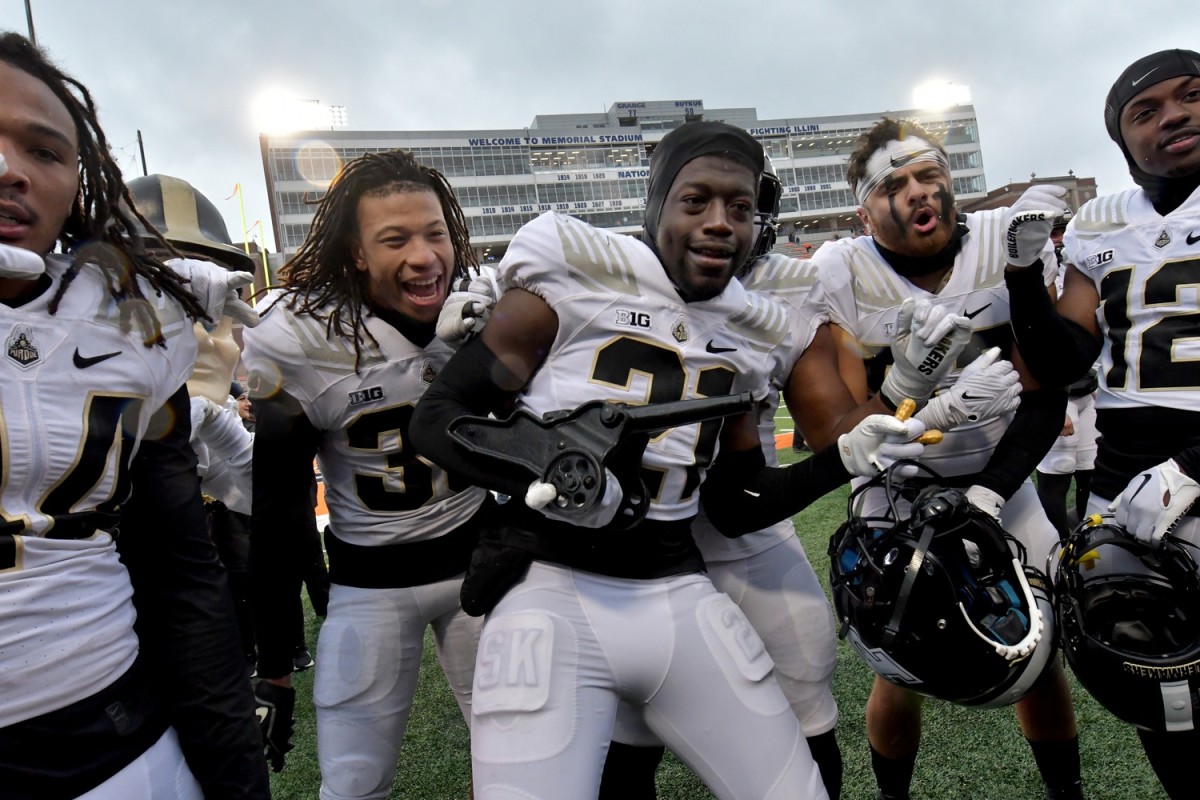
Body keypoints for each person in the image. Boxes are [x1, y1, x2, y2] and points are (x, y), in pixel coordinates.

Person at [410, 120, 940, 800]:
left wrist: (844, 456)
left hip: (676, 593)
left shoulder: (756, 326)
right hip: (554, 590)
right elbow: (440, 420)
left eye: (740, 208)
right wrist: (552, 470)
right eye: (697, 201)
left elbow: (736, 503)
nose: (721, 223)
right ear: (657, 205)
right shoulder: (577, 271)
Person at [0, 31, 269, 800]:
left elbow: (181, 572)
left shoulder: (134, 328)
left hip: (110, 726)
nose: (10, 170)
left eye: (45, 151)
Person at [812, 117, 1083, 800]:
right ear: (863, 209)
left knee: (1038, 645)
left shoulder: (1002, 243)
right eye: (893, 183)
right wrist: (914, 398)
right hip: (894, 487)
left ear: (949, 181)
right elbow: (841, 429)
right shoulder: (840, 271)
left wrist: (990, 495)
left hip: (1002, 478)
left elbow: (1046, 398)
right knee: (899, 661)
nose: (917, 191)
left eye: (928, 174)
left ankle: (1066, 793)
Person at [243, 149, 492, 797]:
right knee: (353, 781)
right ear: (356, 253)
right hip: (370, 585)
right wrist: (274, 661)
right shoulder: (301, 336)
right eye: (395, 238)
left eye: (435, 232)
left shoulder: (480, 311)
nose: (424, 255)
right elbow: (279, 504)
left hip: (478, 566)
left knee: (525, 762)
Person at [1005, 48, 1200, 800]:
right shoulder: (1100, 223)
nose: (1172, 115)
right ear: (1123, 141)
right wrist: (1024, 277)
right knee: (1152, 674)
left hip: (1187, 462)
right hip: (1122, 477)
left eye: (1189, 96)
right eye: (1144, 112)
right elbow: (1063, 355)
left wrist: (1193, 467)